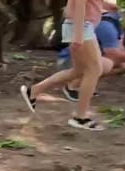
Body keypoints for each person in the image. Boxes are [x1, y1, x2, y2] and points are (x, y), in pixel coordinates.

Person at [20, 0, 119, 131]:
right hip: (81, 26)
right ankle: (80, 117)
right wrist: (78, 36)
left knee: (80, 70)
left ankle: (34, 91)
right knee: (94, 69)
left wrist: (107, 5)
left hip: (79, 26)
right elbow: (79, 4)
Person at [57, 6, 125, 101]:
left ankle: (86, 84)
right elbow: (115, 56)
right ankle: (71, 86)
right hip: (69, 61)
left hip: (83, 59)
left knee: (122, 63)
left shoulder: (118, 25)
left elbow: (120, 51)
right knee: (108, 63)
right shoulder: (107, 26)